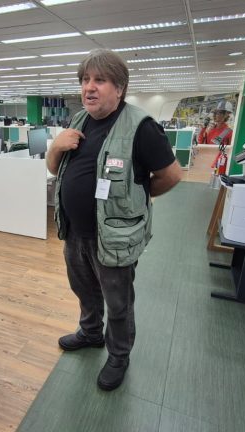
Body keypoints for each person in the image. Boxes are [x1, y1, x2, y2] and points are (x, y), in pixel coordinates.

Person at [47, 49, 183, 391]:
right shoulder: (79, 120)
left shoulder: (142, 127)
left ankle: (119, 355)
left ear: (119, 88)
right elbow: (53, 168)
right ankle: (91, 332)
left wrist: (138, 196)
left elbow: (172, 175)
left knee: (118, 302)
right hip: (75, 232)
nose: (89, 87)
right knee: (84, 290)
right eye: (85, 80)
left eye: (99, 80)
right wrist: (56, 146)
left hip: (114, 236)